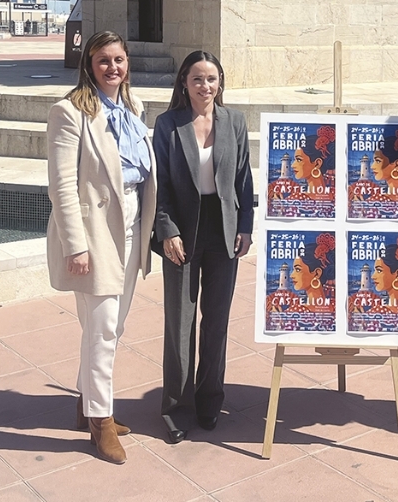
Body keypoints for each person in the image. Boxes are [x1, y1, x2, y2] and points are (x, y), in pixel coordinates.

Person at [46, 30, 156, 464]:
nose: (113, 67)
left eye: (119, 59)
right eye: (103, 60)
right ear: (88, 65)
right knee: (105, 328)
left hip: (130, 226)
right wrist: (76, 245)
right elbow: (61, 186)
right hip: (95, 234)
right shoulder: (69, 111)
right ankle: (100, 421)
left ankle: (84, 401)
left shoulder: (133, 107)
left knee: (112, 326)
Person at [152, 50, 254, 444]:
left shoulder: (235, 121)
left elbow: (244, 177)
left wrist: (245, 224)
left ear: (220, 83)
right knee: (179, 323)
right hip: (181, 230)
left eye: (212, 79)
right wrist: (166, 230)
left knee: (217, 321)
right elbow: (158, 184)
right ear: (184, 83)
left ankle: (210, 400)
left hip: (223, 229)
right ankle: (176, 408)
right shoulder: (167, 124)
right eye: (197, 79)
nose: (205, 86)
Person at [289, 233, 336, 313]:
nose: (291, 275)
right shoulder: (335, 306)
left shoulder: (296, 311)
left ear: (317, 273)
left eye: (297, 269)